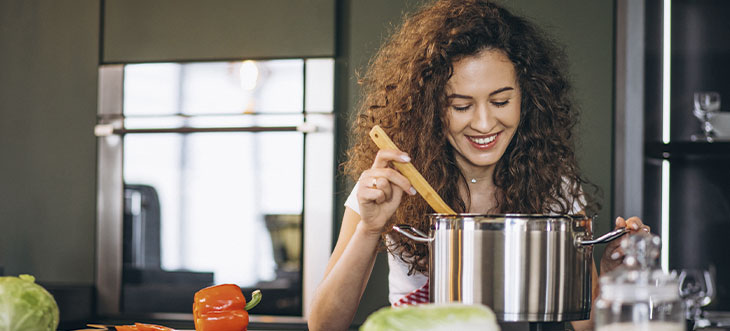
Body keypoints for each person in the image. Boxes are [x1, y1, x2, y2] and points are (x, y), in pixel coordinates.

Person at [307, 1, 650, 330]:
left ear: (526, 97)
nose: (484, 124)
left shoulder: (554, 189)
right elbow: (324, 325)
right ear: (431, 108)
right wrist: (369, 228)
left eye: (500, 101)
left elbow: (587, 325)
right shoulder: (387, 186)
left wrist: (616, 276)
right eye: (461, 106)